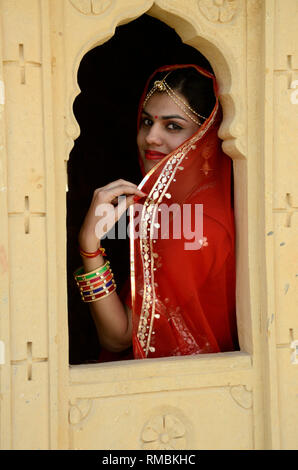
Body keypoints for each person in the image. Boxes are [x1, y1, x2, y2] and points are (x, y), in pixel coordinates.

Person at [74, 64, 239, 361]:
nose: (151, 137)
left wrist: (89, 247)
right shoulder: (179, 207)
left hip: (178, 395)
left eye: (173, 126)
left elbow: (118, 337)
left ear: (206, 138)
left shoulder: (197, 225)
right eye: (147, 122)